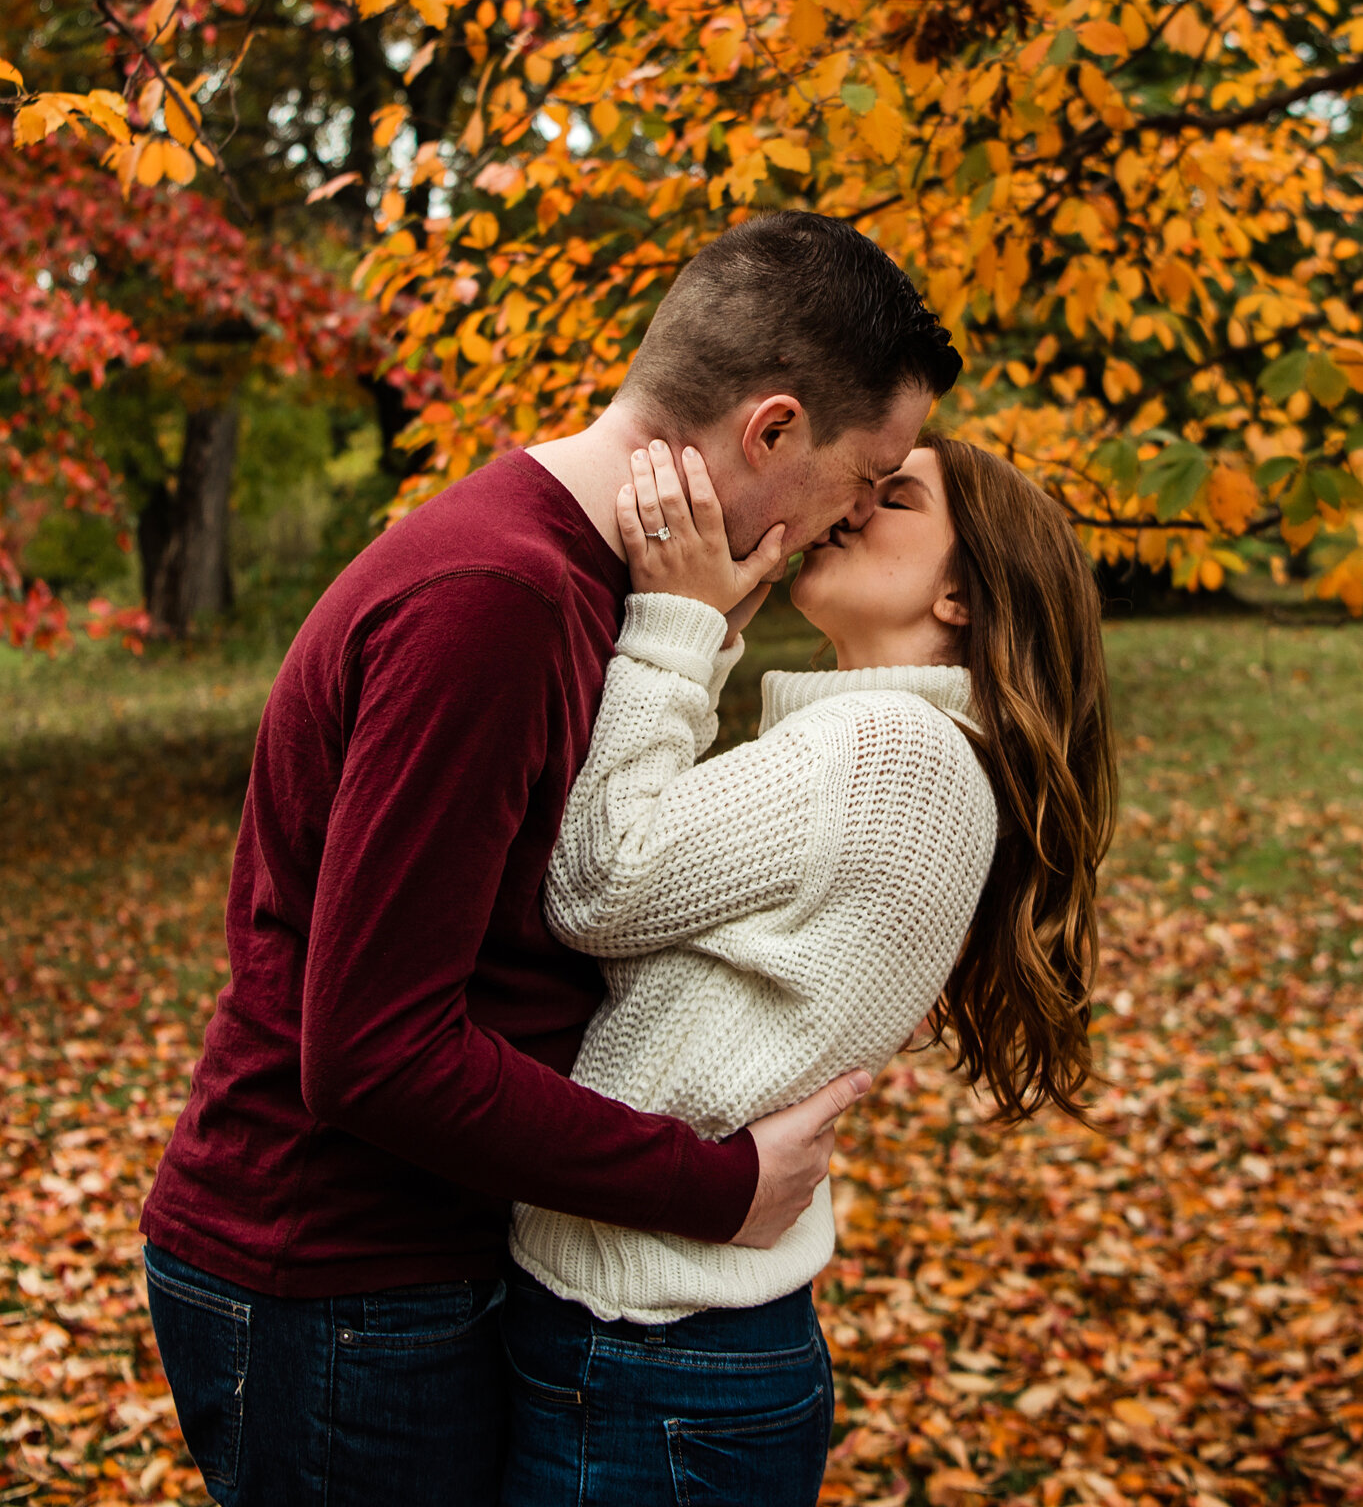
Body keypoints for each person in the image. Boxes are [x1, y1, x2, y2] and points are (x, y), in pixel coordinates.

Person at [140, 212, 962, 1505]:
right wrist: (710, 1185)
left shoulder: (598, 587)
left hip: (433, 1261)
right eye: (869, 473)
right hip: (340, 1276)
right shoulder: (497, 600)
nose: (859, 512)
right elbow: (370, 1051)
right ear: (771, 432)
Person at [500, 433, 1117, 1507]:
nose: (849, 506)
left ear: (963, 593)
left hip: (657, 1355)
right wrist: (716, 632)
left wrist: (680, 626)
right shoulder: (899, 745)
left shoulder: (888, 751)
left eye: (896, 497)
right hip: (665, 1339)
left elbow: (597, 880)